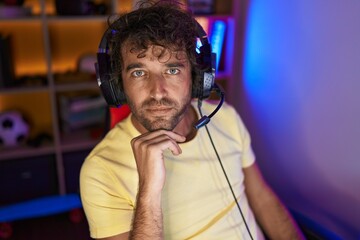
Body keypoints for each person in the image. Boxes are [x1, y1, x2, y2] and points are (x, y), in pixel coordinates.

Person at [80, 1, 305, 239]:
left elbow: (262, 199)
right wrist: (148, 192)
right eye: (139, 72)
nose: (157, 91)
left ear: (197, 78)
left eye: (172, 70)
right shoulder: (101, 170)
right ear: (117, 85)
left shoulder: (226, 118)